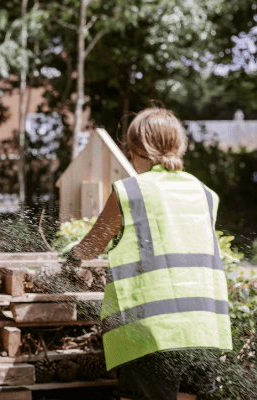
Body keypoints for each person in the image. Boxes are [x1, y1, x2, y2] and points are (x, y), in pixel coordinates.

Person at [64, 107, 232, 400]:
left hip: (153, 332)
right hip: (204, 330)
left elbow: (91, 247)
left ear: (135, 149)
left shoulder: (131, 191)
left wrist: (68, 254)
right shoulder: (205, 193)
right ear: (179, 145)